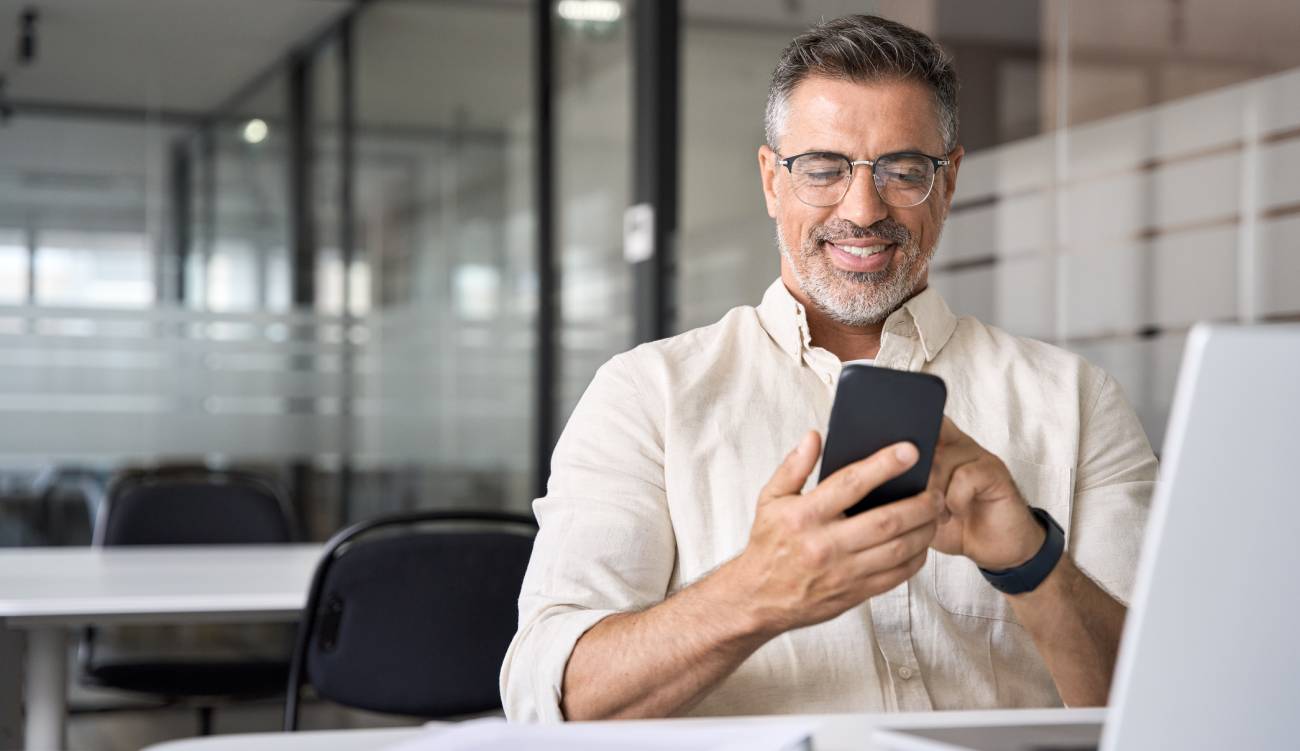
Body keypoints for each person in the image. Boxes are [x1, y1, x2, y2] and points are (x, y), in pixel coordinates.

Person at [501, 14, 1156, 722]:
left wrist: (1031, 563)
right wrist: (756, 591)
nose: (863, 208)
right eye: (823, 169)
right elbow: (551, 698)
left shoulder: (1076, 400)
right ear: (771, 181)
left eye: (904, 170)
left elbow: (1176, 700)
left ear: (950, 180)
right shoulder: (647, 396)